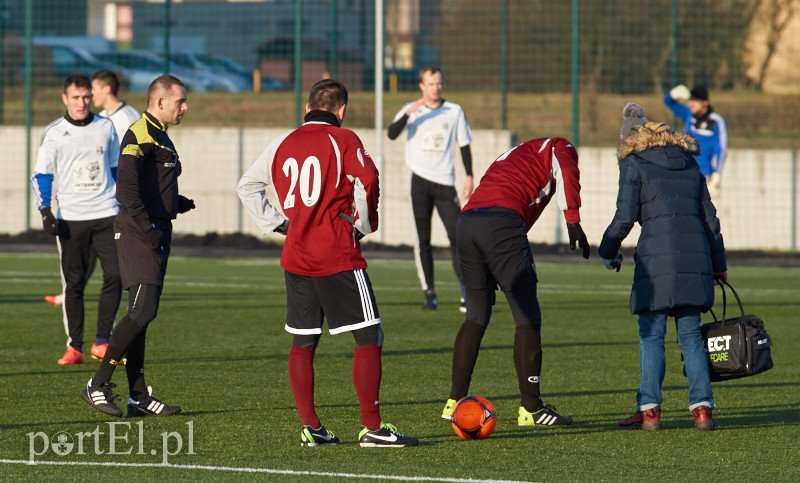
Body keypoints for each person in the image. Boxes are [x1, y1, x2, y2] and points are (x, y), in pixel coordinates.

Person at [237, 79, 418, 447]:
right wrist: (365, 226)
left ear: (307, 109)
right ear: (342, 111)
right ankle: (372, 427)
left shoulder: (282, 142)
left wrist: (280, 223)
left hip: (296, 255)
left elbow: (247, 186)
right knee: (370, 335)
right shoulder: (344, 138)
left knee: (303, 342)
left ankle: (312, 427)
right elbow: (368, 178)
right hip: (336, 254)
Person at [440, 137, 590, 428]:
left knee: (476, 316)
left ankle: (454, 402)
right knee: (527, 317)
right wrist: (573, 220)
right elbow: (567, 170)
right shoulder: (561, 146)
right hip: (500, 224)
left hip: (468, 222)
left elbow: (501, 192)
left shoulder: (512, 155)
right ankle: (531, 410)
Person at [599, 103, 727, 431]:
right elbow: (710, 219)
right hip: (696, 256)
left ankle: (650, 411)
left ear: (631, 138)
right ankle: (702, 411)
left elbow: (624, 217)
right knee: (690, 337)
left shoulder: (634, 164)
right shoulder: (689, 162)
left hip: (656, 261)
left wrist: (606, 249)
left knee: (651, 336)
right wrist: (719, 264)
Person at [81, 74, 195, 417]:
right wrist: (148, 230)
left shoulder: (161, 136)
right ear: (160, 102)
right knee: (143, 311)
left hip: (155, 231)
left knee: (142, 314)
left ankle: (138, 396)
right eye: (180, 101)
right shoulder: (140, 133)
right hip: (138, 234)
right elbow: (126, 191)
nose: (185, 107)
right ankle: (97, 384)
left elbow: (152, 187)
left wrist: (177, 202)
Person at [31, 73, 122, 366]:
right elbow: (42, 175)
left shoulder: (105, 127)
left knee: (116, 275)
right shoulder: (54, 132)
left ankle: (102, 341)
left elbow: (117, 169)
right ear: (64, 99)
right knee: (74, 283)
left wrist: (125, 204)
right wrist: (45, 210)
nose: (82, 103)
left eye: (86, 97)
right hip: (72, 217)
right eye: (76, 98)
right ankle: (75, 347)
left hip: (107, 212)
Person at [44, 70, 140, 309]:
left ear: (106, 89)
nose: (88, 98)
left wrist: (128, 197)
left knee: (112, 266)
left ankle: (114, 320)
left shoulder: (125, 118)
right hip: (86, 205)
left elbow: (129, 162)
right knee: (87, 259)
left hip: (110, 203)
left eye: (92, 91)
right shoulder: (103, 118)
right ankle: (70, 294)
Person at [387, 66, 473, 312]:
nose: (436, 88)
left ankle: (467, 293)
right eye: (431, 84)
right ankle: (430, 294)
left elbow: (465, 144)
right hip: (420, 182)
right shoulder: (411, 110)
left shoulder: (454, 111)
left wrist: (469, 175)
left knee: (458, 238)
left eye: (439, 83)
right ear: (421, 86)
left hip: (445, 182)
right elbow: (392, 134)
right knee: (422, 239)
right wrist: (410, 112)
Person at [663, 84, 728, 199]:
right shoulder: (689, 114)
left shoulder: (717, 122)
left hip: (704, 176)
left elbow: (721, 149)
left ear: (705, 102)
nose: (691, 104)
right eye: (690, 100)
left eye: (696, 100)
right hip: (684, 172)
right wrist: (674, 94)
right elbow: (668, 102)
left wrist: (717, 177)